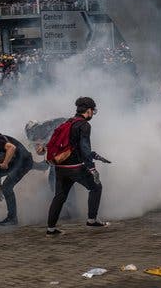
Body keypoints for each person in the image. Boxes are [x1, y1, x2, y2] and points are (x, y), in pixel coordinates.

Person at [46, 97, 112, 236]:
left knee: (59, 197)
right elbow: (84, 148)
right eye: (92, 111)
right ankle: (92, 220)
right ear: (88, 110)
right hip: (75, 168)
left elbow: (74, 147)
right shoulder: (84, 125)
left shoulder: (68, 122)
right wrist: (92, 168)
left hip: (60, 168)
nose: (92, 114)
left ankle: (51, 229)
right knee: (96, 187)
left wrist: (95, 156)